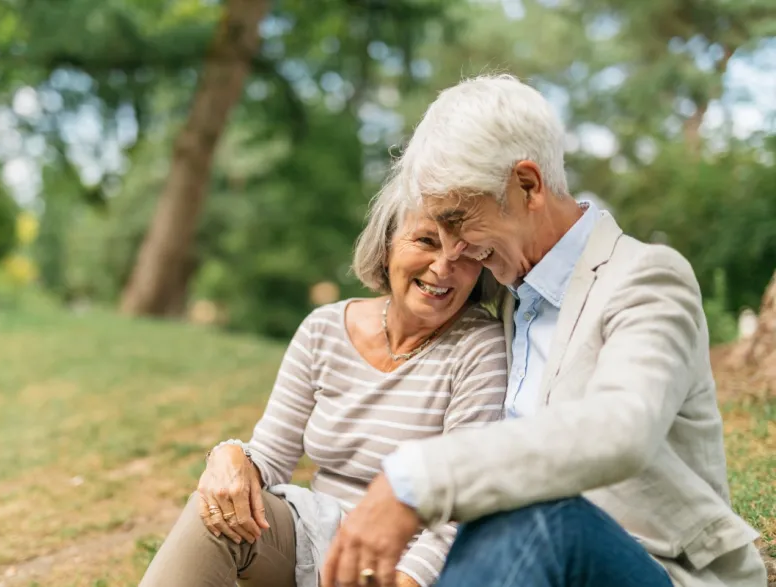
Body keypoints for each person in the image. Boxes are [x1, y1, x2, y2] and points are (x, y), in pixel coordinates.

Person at [321, 74, 767, 587]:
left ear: (527, 186)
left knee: (534, 511)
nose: (452, 252)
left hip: (656, 569)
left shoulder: (647, 277)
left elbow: (620, 430)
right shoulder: (505, 300)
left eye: (457, 219)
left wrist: (416, 479)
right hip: (518, 567)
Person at [137, 184, 509, 587]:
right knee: (215, 510)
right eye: (425, 241)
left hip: (405, 564)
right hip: (316, 535)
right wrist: (228, 456)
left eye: (466, 251)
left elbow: (459, 504)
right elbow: (271, 457)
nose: (443, 266)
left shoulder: (480, 347)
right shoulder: (325, 328)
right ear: (386, 245)